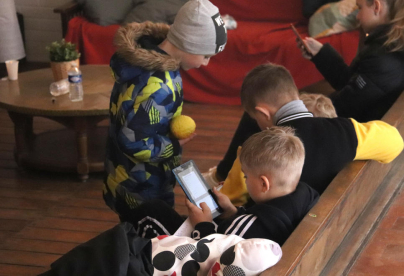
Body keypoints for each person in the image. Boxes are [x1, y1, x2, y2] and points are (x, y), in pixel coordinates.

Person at [103, 0, 227, 221]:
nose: (206, 63)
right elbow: (132, 141)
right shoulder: (160, 86)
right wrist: (173, 145)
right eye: (206, 55)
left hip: (121, 174)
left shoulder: (143, 60)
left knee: (130, 228)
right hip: (143, 184)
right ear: (189, 44)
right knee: (145, 235)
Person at [204, 63, 403, 195]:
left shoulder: (256, 155)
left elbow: (230, 201)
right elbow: (395, 142)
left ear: (263, 113)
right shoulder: (344, 131)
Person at [123, 127, 320, 246]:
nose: (244, 179)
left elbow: (210, 256)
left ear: (263, 183)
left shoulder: (250, 227)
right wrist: (232, 212)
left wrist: (204, 224)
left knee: (149, 213)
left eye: (245, 175)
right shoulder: (304, 193)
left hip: (204, 252)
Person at [298, 0, 404, 122]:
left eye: (360, 8)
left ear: (376, 6)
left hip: (357, 130)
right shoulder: (386, 45)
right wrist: (321, 53)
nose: (358, 16)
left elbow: (344, 107)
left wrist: (303, 108)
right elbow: (351, 84)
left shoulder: (384, 57)